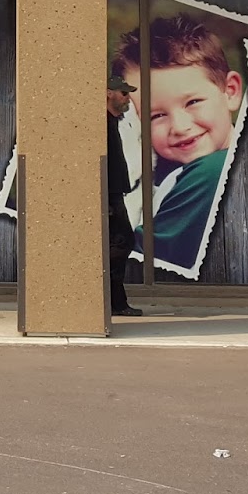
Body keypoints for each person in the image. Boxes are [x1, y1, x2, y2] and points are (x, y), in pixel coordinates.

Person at [115, 13, 246, 271]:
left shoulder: (214, 171)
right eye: (156, 116)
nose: (179, 127)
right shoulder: (166, 170)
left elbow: (132, 266)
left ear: (230, 91)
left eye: (193, 102)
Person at [106, 73, 141, 317]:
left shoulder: (112, 121)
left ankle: (116, 302)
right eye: (124, 93)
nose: (128, 98)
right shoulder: (100, 123)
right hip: (108, 194)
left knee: (121, 243)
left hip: (114, 193)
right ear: (108, 93)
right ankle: (114, 301)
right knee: (121, 242)